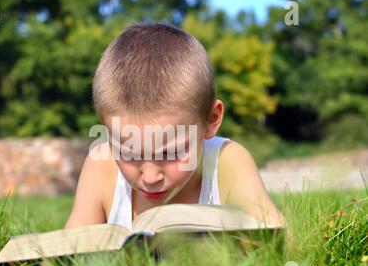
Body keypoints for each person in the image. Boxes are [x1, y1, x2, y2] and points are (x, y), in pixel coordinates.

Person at [65, 22, 285, 230]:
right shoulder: (101, 167)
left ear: (211, 119)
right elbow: (69, 254)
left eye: (171, 152)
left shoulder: (226, 162)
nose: (151, 177)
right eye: (128, 153)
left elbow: (277, 239)